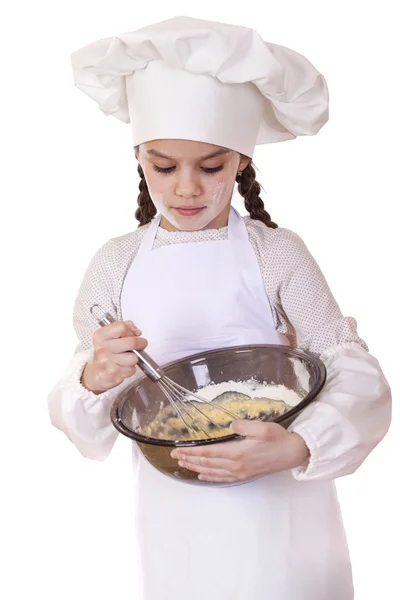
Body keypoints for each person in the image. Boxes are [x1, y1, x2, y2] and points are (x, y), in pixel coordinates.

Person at [48, 15, 391, 600]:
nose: (186, 189)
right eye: (164, 166)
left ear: (241, 162)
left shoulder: (276, 253)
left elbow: (351, 367)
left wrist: (300, 444)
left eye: (210, 167)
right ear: (139, 159)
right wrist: (95, 374)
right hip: (173, 513)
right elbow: (80, 416)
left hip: (281, 507)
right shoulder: (116, 263)